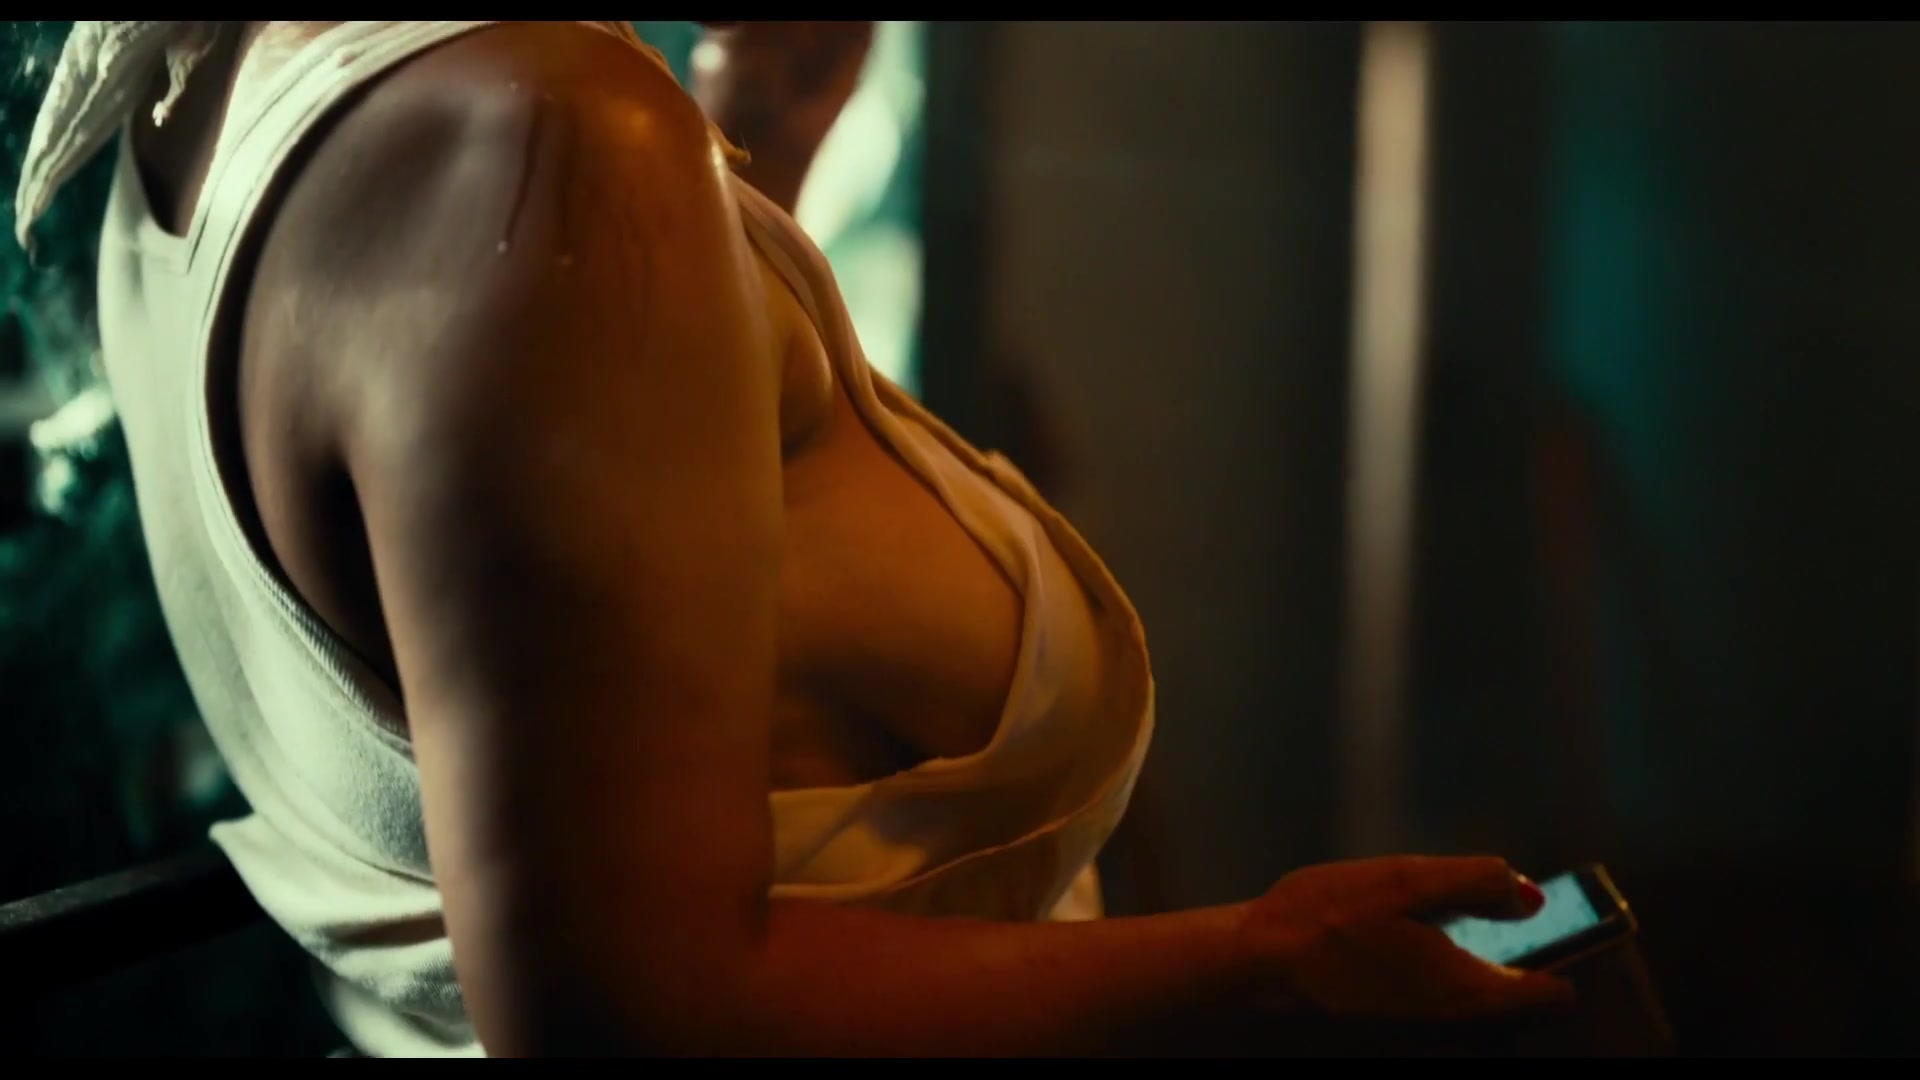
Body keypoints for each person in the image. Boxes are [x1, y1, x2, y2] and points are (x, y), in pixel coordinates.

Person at [17, 21, 1574, 1056]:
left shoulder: (196, 81)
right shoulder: (537, 145)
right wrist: (1271, 966)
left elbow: (523, 557)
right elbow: (646, 1014)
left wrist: (746, 157)